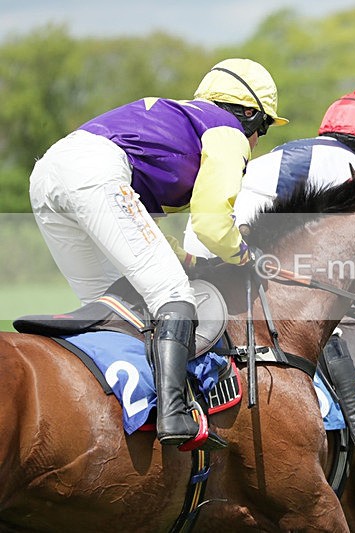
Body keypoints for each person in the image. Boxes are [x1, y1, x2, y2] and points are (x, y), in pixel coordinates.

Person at [29, 58, 288, 451]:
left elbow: (138, 230)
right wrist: (244, 255)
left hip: (49, 174)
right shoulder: (227, 130)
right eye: (263, 129)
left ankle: (101, 413)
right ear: (250, 114)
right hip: (95, 173)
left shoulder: (175, 127)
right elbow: (213, 223)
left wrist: (187, 260)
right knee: (174, 297)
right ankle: (174, 413)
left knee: (112, 307)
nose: (256, 142)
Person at [183, 90, 355, 454]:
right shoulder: (351, 173)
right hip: (240, 249)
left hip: (201, 250)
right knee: (328, 314)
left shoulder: (287, 151)